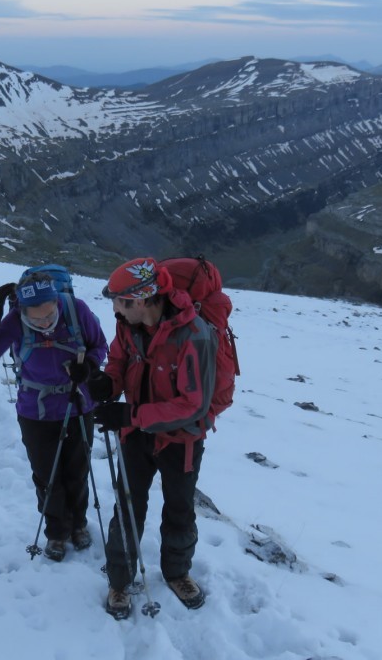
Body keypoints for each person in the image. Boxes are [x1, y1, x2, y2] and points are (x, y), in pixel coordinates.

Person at [89, 257, 217, 619]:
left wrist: (131, 414)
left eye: (119, 300)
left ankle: (177, 572)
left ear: (142, 300)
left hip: (182, 440)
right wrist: (106, 383)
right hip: (136, 434)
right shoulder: (127, 326)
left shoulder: (195, 336)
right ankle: (119, 578)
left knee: (179, 506)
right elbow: (118, 362)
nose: (114, 308)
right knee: (128, 505)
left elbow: (194, 404)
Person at [0, 271, 108, 562]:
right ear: (23, 311)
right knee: (47, 476)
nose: (45, 323)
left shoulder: (75, 309)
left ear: (57, 301)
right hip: (36, 411)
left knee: (77, 470)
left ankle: (79, 524)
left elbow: (100, 345)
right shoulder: (16, 319)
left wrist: (90, 367)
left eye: (49, 314)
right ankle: (57, 531)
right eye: (37, 318)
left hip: (78, 403)